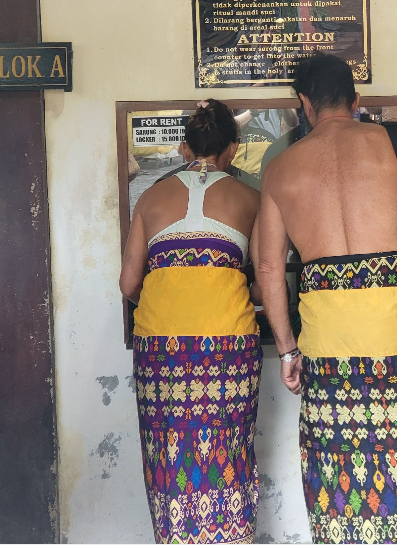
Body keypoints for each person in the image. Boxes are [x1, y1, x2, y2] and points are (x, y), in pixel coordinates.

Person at [253, 54, 397, 544]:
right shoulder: (394, 143)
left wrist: (286, 348)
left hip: (328, 349)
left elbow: (267, 270)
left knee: (337, 483)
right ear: (356, 100)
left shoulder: (280, 169)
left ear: (303, 104)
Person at [120, 99, 263, 544]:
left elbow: (128, 284)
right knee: (228, 452)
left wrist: (171, 293)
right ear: (234, 149)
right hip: (227, 348)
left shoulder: (150, 198)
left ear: (184, 148)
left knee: (168, 454)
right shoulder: (250, 199)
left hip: (161, 352)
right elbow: (263, 284)